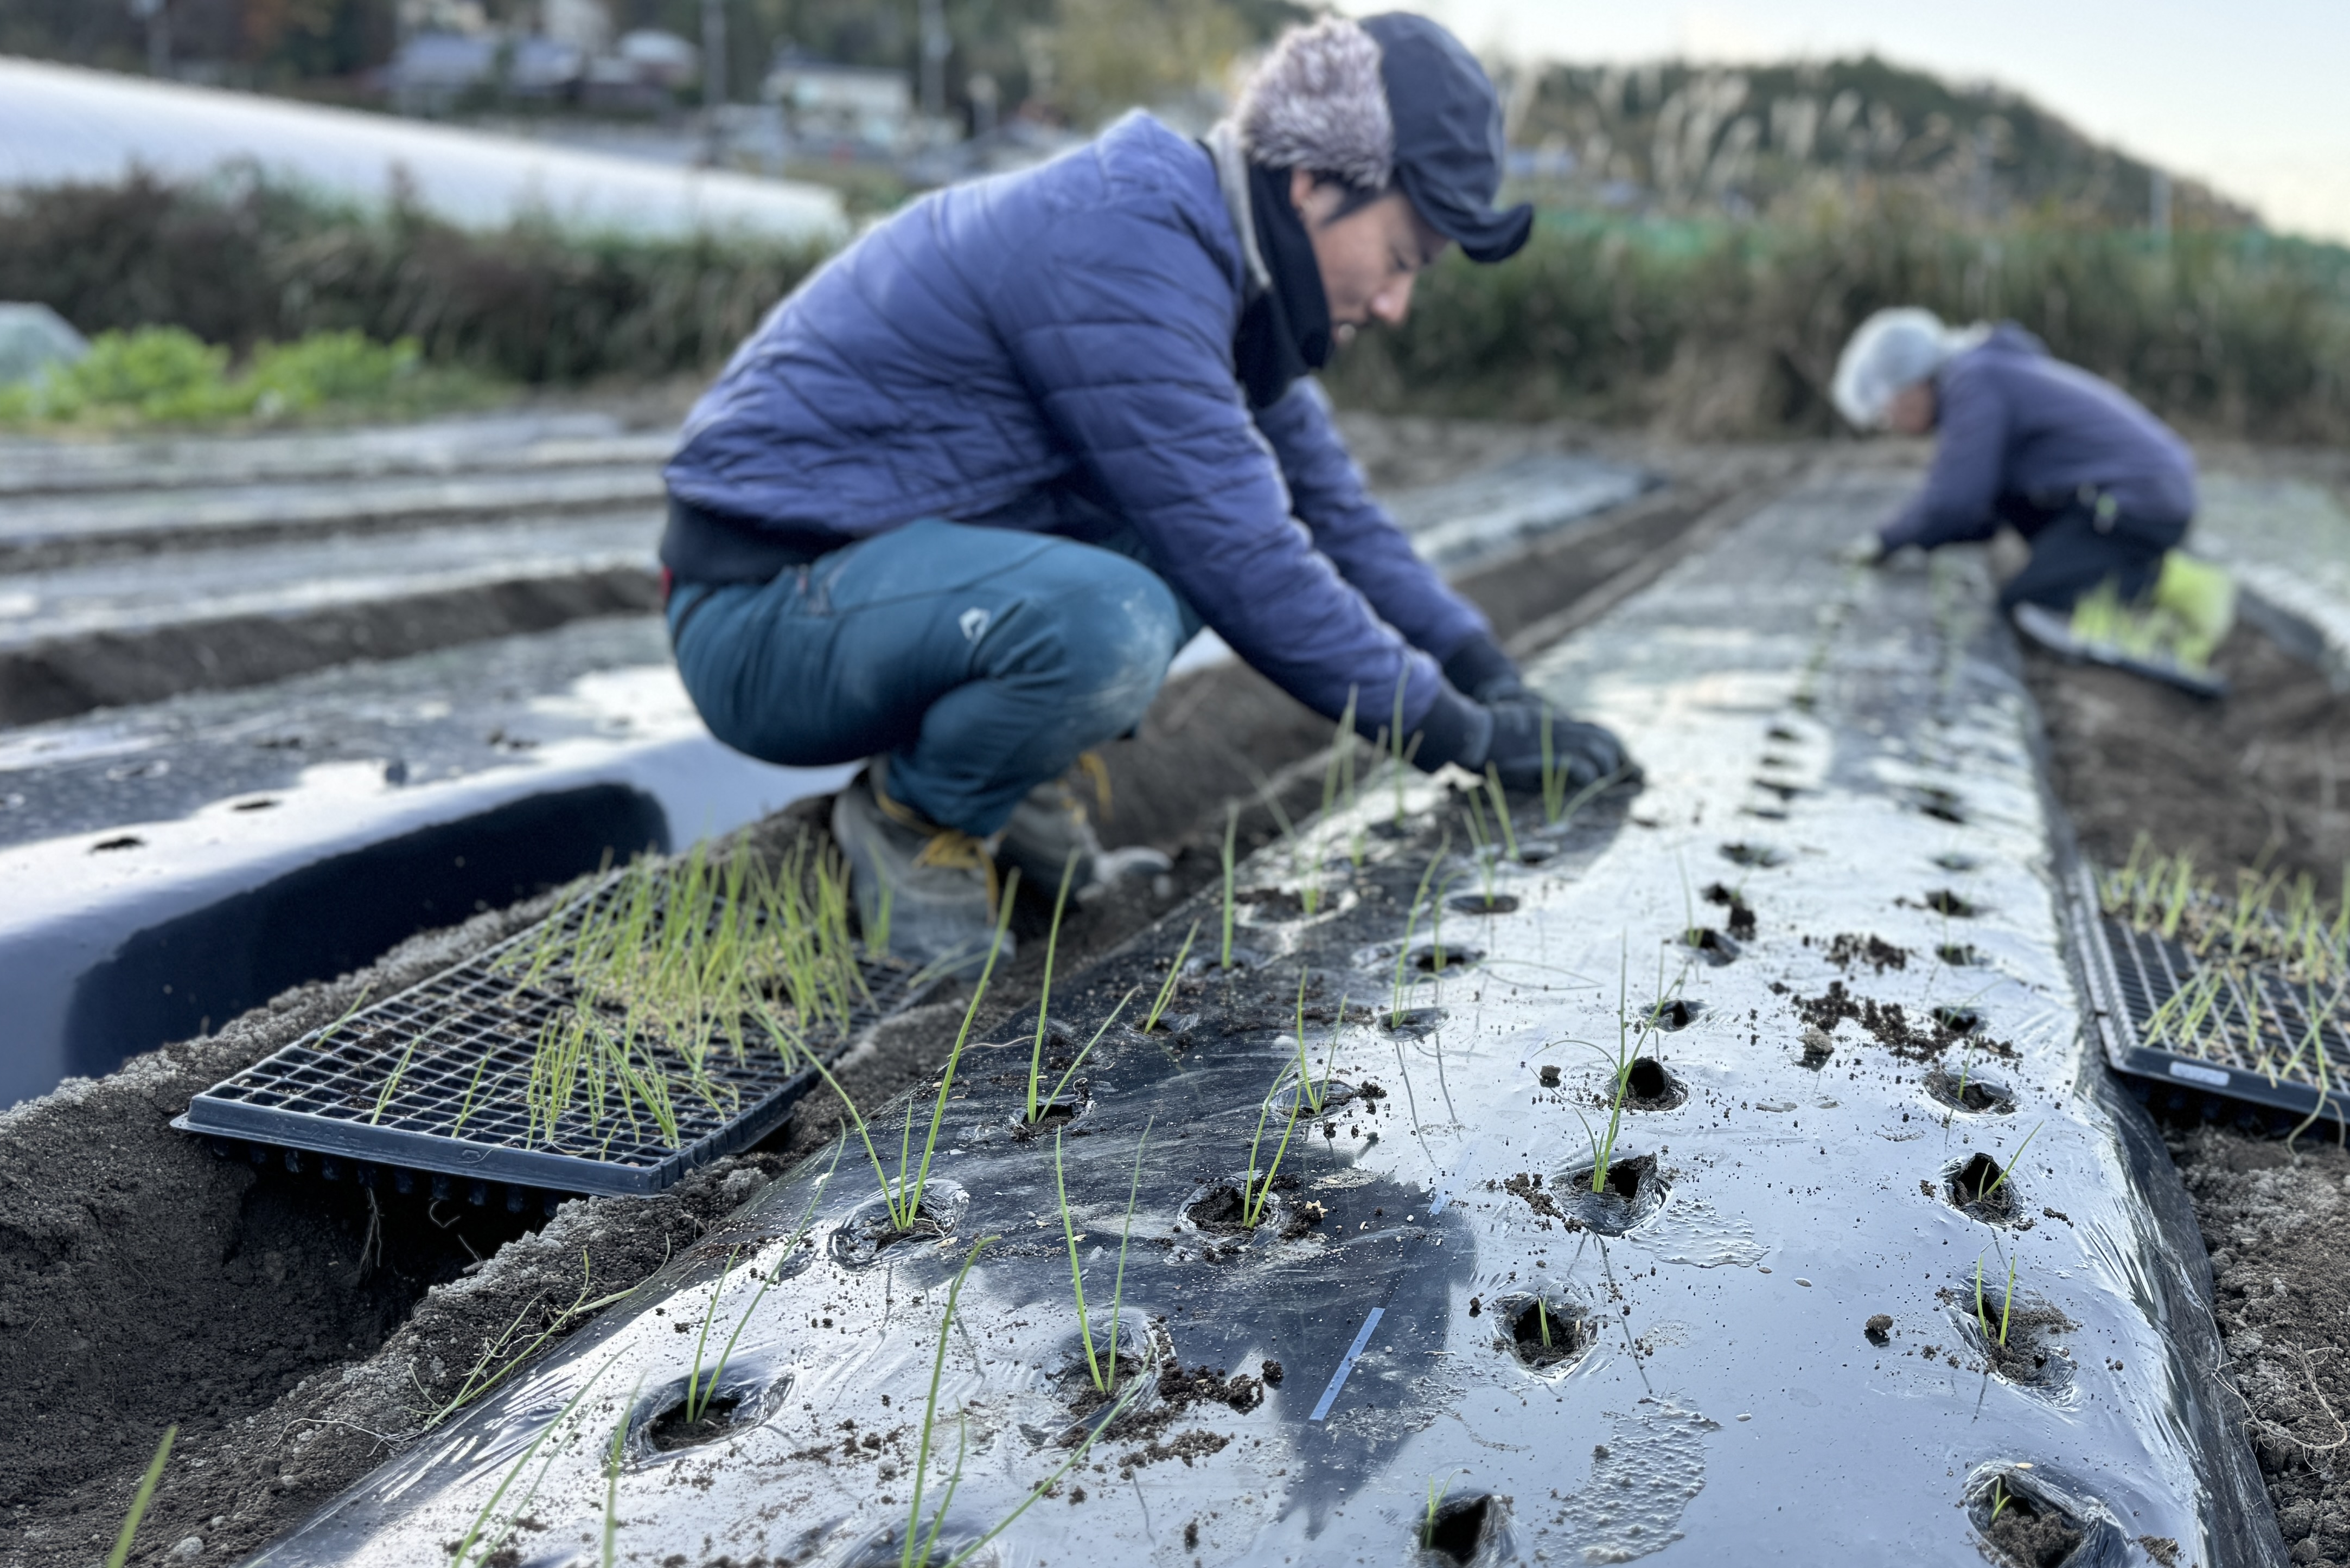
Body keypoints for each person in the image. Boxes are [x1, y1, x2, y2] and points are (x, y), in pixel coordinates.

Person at [656, 15, 1630, 969]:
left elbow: (1340, 523)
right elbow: (1256, 565)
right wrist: (1459, 734)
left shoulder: (1231, 288)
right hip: (761, 610)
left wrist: (1490, 676)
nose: (1393, 304)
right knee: (1118, 612)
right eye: (1401, 258)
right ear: (1312, 180)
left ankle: (1011, 785)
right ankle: (914, 821)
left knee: (1185, 543)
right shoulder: (1128, 251)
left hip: (875, 589)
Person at [1829, 309, 2201, 623]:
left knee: (2027, 602)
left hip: (2138, 502)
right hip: (2125, 497)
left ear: (1910, 387)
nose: (1890, 424)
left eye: (1886, 412)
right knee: (2012, 506)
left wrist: (1887, 539)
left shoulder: (1973, 381)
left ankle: (2161, 583)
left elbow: (1953, 500)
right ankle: (2126, 567)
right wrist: (1912, 537)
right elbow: (1981, 510)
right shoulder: (1983, 374)